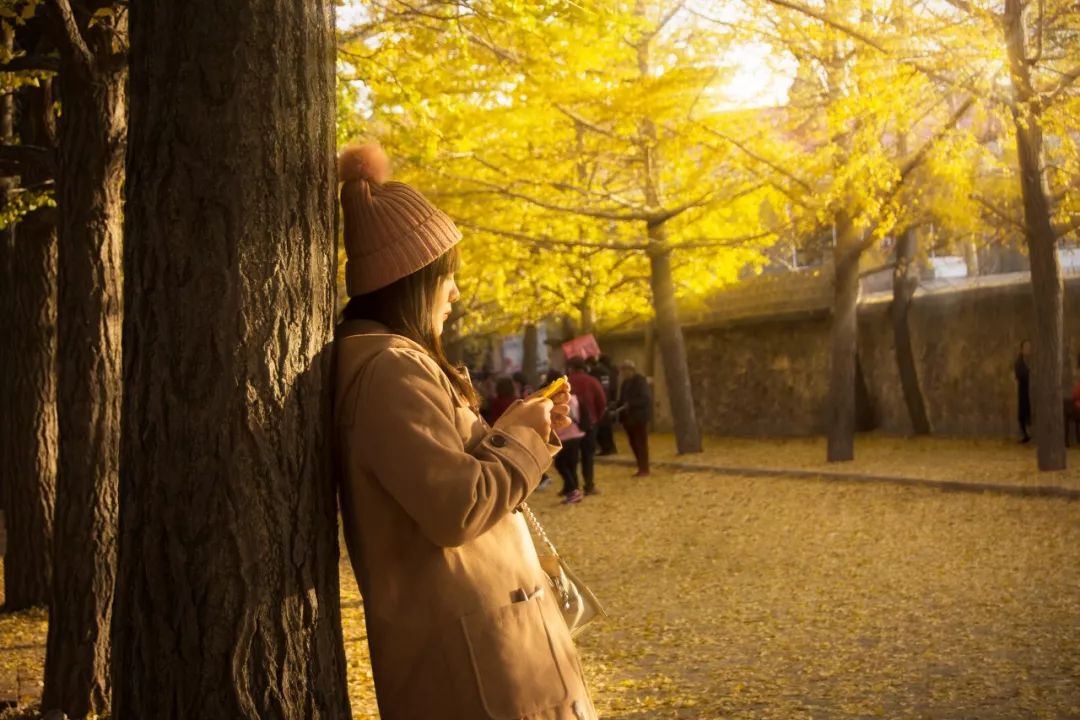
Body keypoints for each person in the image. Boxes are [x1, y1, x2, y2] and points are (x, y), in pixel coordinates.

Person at [332, 141, 597, 720]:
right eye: (445, 277)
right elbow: (457, 505)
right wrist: (524, 438)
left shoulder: (396, 363)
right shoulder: (389, 370)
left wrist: (519, 427)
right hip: (479, 668)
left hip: (493, 649)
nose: (454, 292)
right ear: (412, 281)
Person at [566, 356, 606, 496]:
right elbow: (601, 401)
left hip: (569, 426)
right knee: (588, 456)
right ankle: (589, 485)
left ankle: (572, 487)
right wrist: (596, 418)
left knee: (571, 457)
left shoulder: (566, 383)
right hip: (589, 424)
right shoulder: (592, 381)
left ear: (570, 368)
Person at [547, 370, 586, 504]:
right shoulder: (573, 398)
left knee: (560, 464)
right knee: (571, 464)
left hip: (565, 436)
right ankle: (572, 489)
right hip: (576, 434)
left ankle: (573, 491)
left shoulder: (555, 402)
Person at [616, 359, 652, 476]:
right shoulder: (625, 383)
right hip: (628, 419)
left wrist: (630, 403)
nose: (625, 373)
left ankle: (644, 467)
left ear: (632, 370)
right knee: (633, 443)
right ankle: (640, 465)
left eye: (627, 370)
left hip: (639, 417)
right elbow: (622, 399)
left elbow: (645, 399)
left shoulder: (640, 381)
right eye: (623, 370)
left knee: (640, 443)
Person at [590, 355, 618, 455]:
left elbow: (598, 387)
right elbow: (609, 387)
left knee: (601, 427)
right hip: (608, 400)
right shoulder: (611, 371)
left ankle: (606, 448)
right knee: (607, 427)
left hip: (600, 401)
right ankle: (610, 447)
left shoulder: (597, 371)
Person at [1014, 340, 1032, 443]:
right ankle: (1024, 434)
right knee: (1023, 411)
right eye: (1026, 347)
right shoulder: (1019, 362)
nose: (1028, 349)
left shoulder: (1030, 361)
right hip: (1023, 390)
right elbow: (1020, 375)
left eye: (1029, 347)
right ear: (1021, 349)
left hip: (1031, 391)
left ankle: (1028, 434)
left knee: (1028, 411)